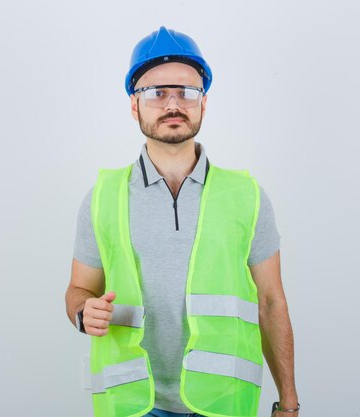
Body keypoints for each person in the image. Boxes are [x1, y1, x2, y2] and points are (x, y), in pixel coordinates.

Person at [65, 26, 299, 417]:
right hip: (134, 404)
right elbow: (77, 289)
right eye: (156, 93)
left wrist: (288, 404)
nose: (173, 103)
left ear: (203, 104)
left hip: (222, 403)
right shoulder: (102, 197)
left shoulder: (247, 196)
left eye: (186, 92)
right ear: (134, 106)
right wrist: (82, 312)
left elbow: (272, 304)